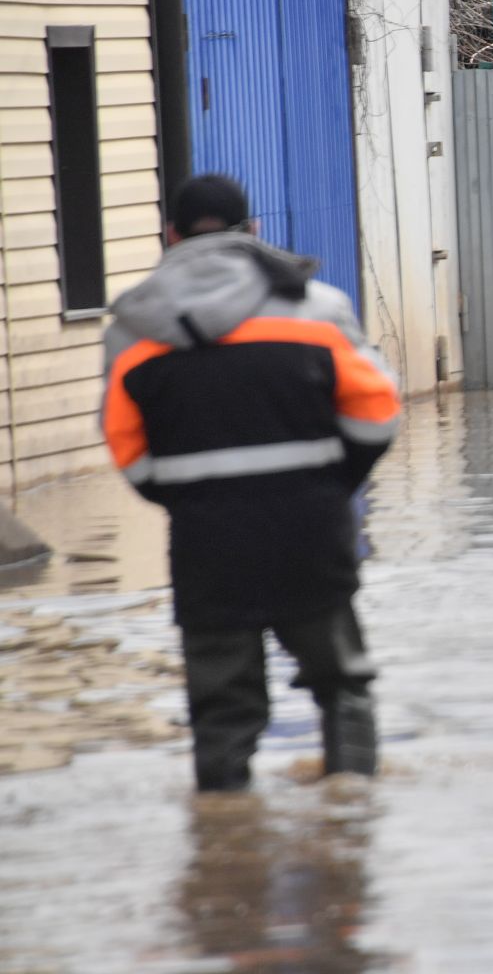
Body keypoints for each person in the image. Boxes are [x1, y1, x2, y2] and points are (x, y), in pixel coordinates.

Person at [100, 174, 400, 792]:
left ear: (171, 236)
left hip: (205, 537)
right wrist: (330, 482)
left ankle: (223, 832)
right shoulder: (318, 309)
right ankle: (352, 815)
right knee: (341, 682)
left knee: (220, 706)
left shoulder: (134, 326)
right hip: (309, 527)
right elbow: (377, 413)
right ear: (253, 232)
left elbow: (125, 446)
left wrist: (188, 494)